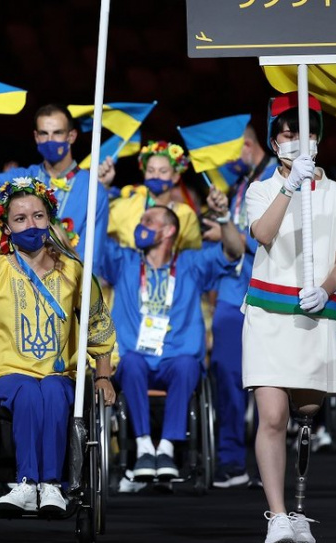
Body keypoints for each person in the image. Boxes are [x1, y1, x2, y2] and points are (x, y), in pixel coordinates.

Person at [0, 175, 116, 513]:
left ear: (49, 219)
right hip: (7, 377)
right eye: (20, 219)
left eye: (38, 216)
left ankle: (51, 486)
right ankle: (26, 485)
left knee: (50, 390)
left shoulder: (75, 272)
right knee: (27, 391)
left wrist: (104, 377)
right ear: (6, 228)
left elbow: (99, 329)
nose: (31, 224)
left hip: (59, 377)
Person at [243, 92, 336, 543]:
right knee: (271, 416)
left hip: (316, 314)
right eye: (287, 134)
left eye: (304, 134)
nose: (295, 142)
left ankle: (299, 509)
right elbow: (263, 234)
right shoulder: (261, 189)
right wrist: (290, 189)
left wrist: (326, 288)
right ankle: (277, 516)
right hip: (269, 314)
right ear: (275, 144)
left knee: (306, 410)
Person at [99, 186, 242, 484]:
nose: (141, 226)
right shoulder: (125, 261)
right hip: (136, 359)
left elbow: (233, 250)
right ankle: (143, 448)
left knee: (188, 365)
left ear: (168, 231)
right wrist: (100, 191)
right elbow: (93, 241)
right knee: (132, 362)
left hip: (176, 360)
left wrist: (226, 218)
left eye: (149, 221)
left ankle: (165, 448)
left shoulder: (191, 264)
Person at [0, 105, 114, 262]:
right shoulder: (19, 179)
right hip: (17, 285)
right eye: (44, 133)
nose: (50, 140)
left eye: (57, 133)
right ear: (36, 137)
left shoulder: (92, 190)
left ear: (71, 136)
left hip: (65, 287)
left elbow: (92, 259)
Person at [209, 125, 278, 488]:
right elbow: (235, 241)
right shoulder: (240, 184)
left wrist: (227, 232)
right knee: (226, 373)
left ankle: (276, 467)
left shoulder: (274, 180)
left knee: (275, 384)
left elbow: (267, 238)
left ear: (248, 146)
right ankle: (232, 460)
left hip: (268, 292)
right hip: (232, 293)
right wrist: (223, 227)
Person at [107, 140, 202, 252]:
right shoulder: (124, 206)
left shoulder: (186, 214)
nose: (155, 175)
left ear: (175, 177)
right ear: (144, 173)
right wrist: (102, 186)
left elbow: (191, 255)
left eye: (163, 171)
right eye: (150, 170)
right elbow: (96, 230)